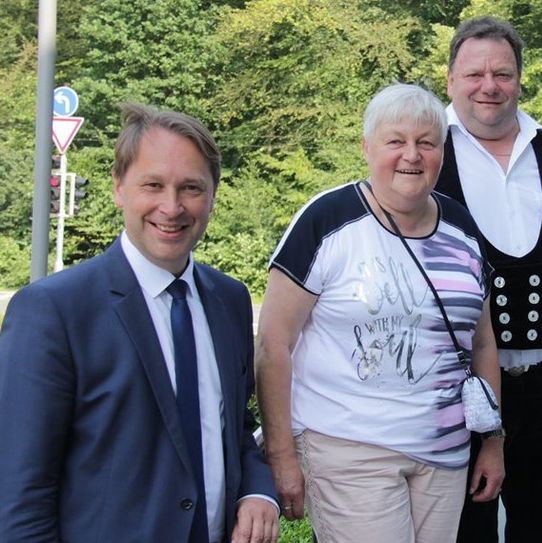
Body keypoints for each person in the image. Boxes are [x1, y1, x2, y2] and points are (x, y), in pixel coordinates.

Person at [0, 104, 279, 542]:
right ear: (118, 188)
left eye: (191, 187)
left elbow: (234, 426)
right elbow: (20, 492)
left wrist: (259, 493)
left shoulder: (230, 300)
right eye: (153, 185)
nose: (172, 207)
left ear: (212, 195)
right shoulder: (53, 311)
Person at [255, 83, 504, 543]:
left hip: (444, 456)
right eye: (396, 141)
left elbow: (484, 342)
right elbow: (273, 344)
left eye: (426, 142)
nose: (412, 155)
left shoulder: (463, 230)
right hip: (350, 449)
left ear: (442, 153)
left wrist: (493, 442)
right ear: (367, 148)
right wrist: (281, 452)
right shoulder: (327, 220)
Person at [435, 16, 542, 543]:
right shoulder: (426, 153)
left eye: (502, 73)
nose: (489, 86)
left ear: (519, 79)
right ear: (450, 80)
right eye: (474, 74)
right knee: (464, 533)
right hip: (452, 394)